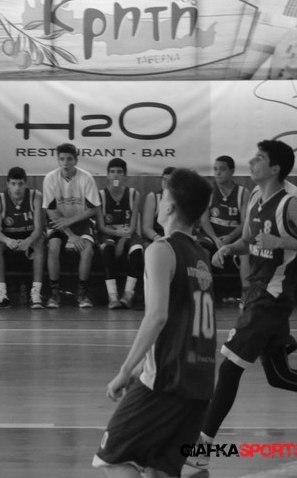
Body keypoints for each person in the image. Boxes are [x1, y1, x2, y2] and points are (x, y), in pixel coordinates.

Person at [186, 139, 297, 473]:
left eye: (258, 158)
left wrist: (282, 241)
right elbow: (249, 241)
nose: (252, 161)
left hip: (271, 299)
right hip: (257, 294)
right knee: (280, 375)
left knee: (229, 367)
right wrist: (228, 248)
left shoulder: (291, 204)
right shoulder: (256, 198)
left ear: (275, 168)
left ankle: (202, 448)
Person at [93, 168, 217, 478]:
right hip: (201, 381)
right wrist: (139, 368)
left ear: (170, 207)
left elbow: (157, 316)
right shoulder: (201, 254)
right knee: (160, 471)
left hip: (168, 380)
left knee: (111, 461)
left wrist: (125, 370)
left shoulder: (162, 249)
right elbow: (182, 321)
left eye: (163, 197)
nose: (159, 203)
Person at [42, 143, 101, 308]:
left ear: (76, 160)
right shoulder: (50, 178)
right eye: (61, 159)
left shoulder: (86, 178)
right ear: (58, 160)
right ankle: (54, 294)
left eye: (69, 159)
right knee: (53, 247)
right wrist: (71, 235)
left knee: (87, 249)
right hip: (58, 221)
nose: (65, 163)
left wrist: (71, 222)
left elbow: (94, 209)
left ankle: (82, 294)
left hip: (81, 220)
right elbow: (51, 212)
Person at [197, 155, 250, 306]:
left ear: (232, 171)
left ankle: (246, 293)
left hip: (233, 234)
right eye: (215, 169)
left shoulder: (243, 192)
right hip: (212, 234)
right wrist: (215, 239)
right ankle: (204, 292)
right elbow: (204, 220)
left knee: (245, 251)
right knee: (201, 249)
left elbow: (245, 222)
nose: (218, 173)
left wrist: (230, 237)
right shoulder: (208, 190)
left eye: (222, 169)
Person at [0, 166, 45, 308]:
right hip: (8, 236)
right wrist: (7, 240)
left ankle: (36, 293)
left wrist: (28, 241)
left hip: (30, 234)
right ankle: (2, 294)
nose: (17, 188)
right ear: (7, 184)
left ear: (26, 183)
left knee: (39, 242)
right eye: (13, 184)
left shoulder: (35, 196)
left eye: (20, 184)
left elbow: (39, 229)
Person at [96, 158, 144, 310]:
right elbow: (101, 227)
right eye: (112, 172)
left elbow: (133, 226)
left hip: (127, 233)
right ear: (107, 175)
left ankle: (128, 295)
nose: (115, 175)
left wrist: (122, 241)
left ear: (125, 176)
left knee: (137, 250)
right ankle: (113, 296)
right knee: (108, 249)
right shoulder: (101, 195)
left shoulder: (133, 194)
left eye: (119, 172)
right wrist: (116, 234)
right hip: (109, 232)